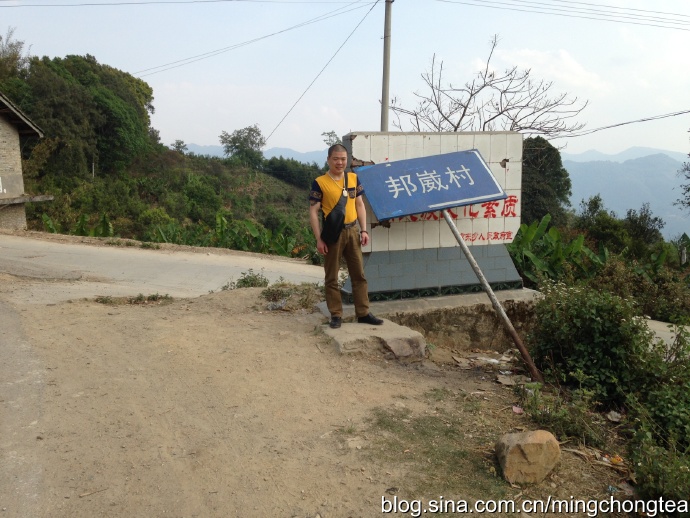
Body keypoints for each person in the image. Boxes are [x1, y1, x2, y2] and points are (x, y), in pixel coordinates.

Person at [309, 144, 384, 329]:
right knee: (332, 277)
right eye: (336, 159)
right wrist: (319, 239)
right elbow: (313, 212)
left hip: (353, 231)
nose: (340, 162)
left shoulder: (353, 178)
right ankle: (336, 314)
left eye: (343, 159)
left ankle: (363, 313)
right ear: (328, 159)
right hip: (333, 234)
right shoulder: (320, 182)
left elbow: (359, 205)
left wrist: (364, 230)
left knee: (358, 274)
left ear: (347, 160)